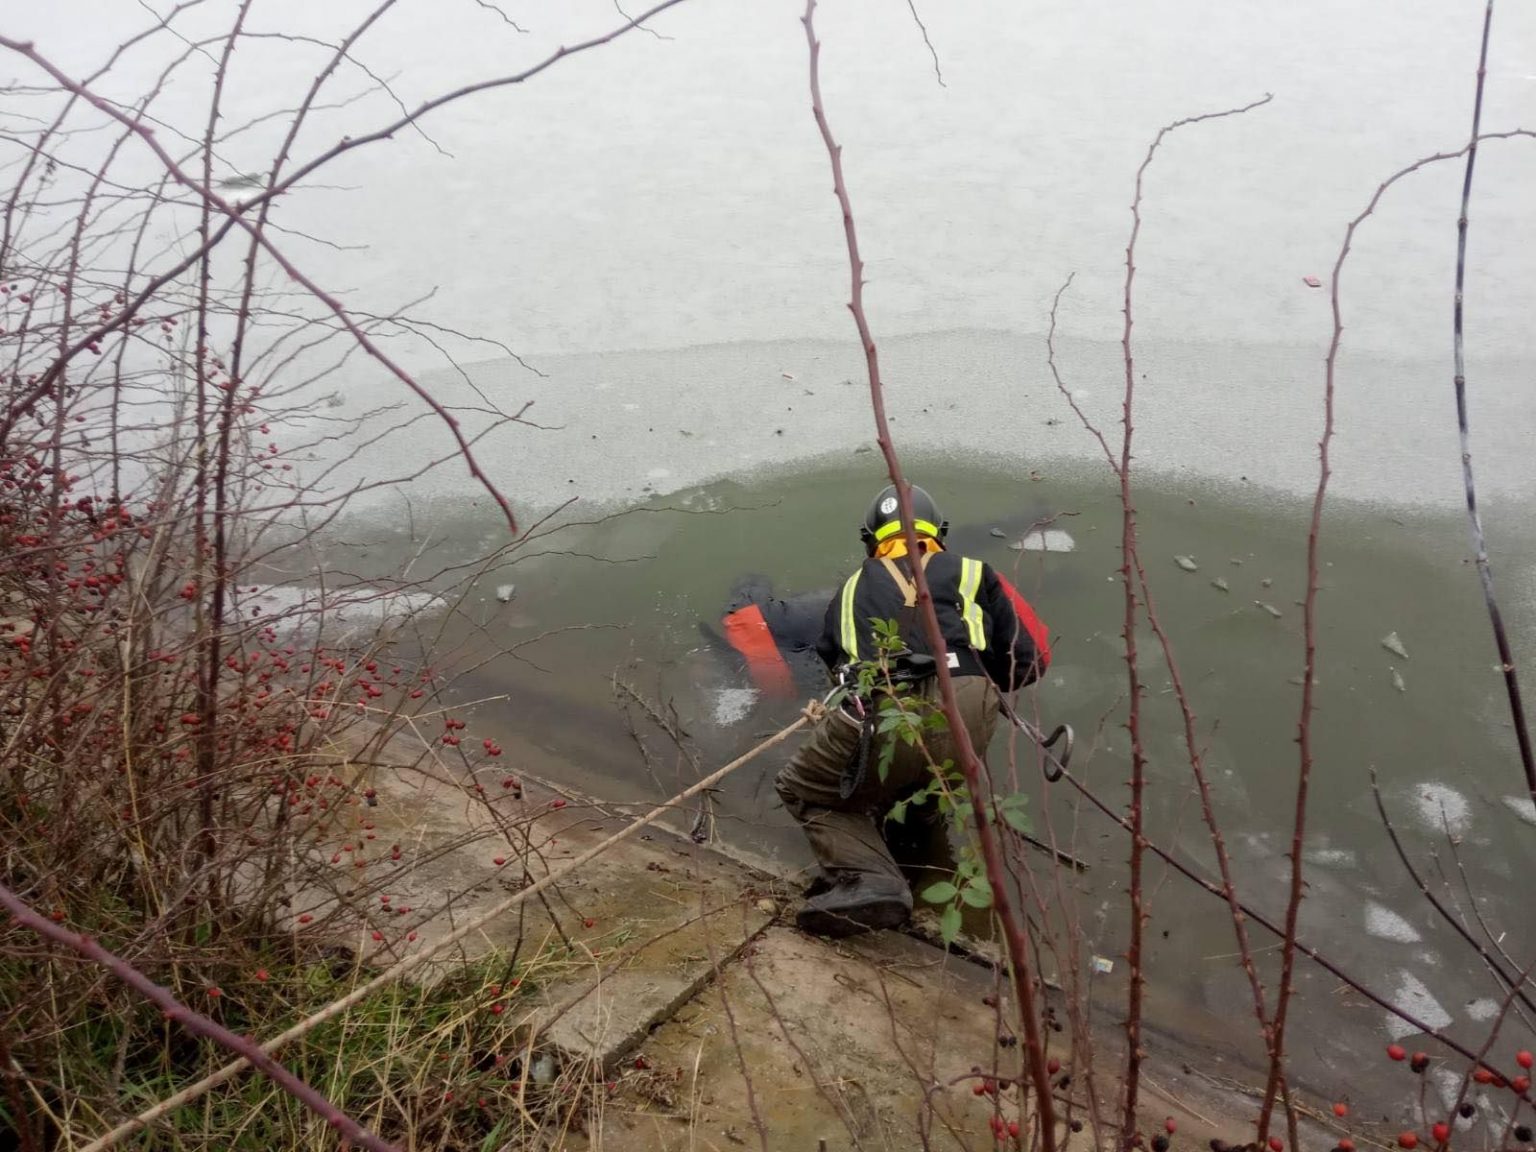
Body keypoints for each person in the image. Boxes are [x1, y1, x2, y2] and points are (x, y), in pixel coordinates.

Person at [774, 483, 1052, 937]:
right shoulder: (976, 572)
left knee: (803, 788)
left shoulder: (851, 589)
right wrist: (979, 679)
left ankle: (870, 878)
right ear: (938, 533)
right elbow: (1031, 659)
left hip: (886, 708)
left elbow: (835, 666)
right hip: (969, 704)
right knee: (928, 790)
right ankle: (926, 861)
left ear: (871, 540)